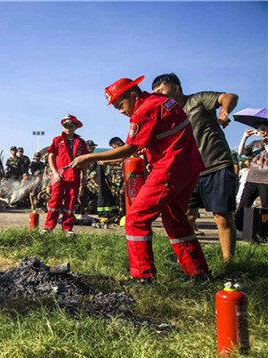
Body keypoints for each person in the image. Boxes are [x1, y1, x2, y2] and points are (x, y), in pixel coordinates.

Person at [70, 75, 209, 282]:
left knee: (135, 219)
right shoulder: (160, 102)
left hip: (169, 168)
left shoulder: (144, 110)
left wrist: (88, 157)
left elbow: (129, 149)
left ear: (133, 96)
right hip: (188, 167)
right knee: (175, 219)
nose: (121, 111)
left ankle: (143, 276)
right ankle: (198, 272)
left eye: (120, 105)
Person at [152, 73, 238, 260]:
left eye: (161, 89)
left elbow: (229, 97)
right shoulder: (166, 114)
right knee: (186, 216)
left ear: (176, 87)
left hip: (215, 165)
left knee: (221, 216)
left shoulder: (197, 100)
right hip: (187, 171)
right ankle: (189, 259)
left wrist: (224, 112)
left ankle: (228, 262)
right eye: (155, 92)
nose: (158, 94)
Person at [43, 114, 89, 233]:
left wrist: (84, 175)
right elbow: (51, 157)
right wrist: (55, 173)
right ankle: (48, 227)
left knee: (71, 200)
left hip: (74, 175)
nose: (68, 128)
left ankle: (67, 228)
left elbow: (84, 161)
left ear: (76, 127)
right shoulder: (57, 140)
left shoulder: (81, 142)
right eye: (65, 125)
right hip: (59, 176)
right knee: (55, 200)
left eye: (71, 125)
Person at [234, 125, 268, 233]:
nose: (263, 132)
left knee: (266, 208)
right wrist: (245, 137)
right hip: (251, 180)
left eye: (265, 130)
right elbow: (240, 153)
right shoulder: (255, 144)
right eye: (261, 130)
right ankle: (239, 229)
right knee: (243, 205)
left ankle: (265, 231)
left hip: (266, 181)